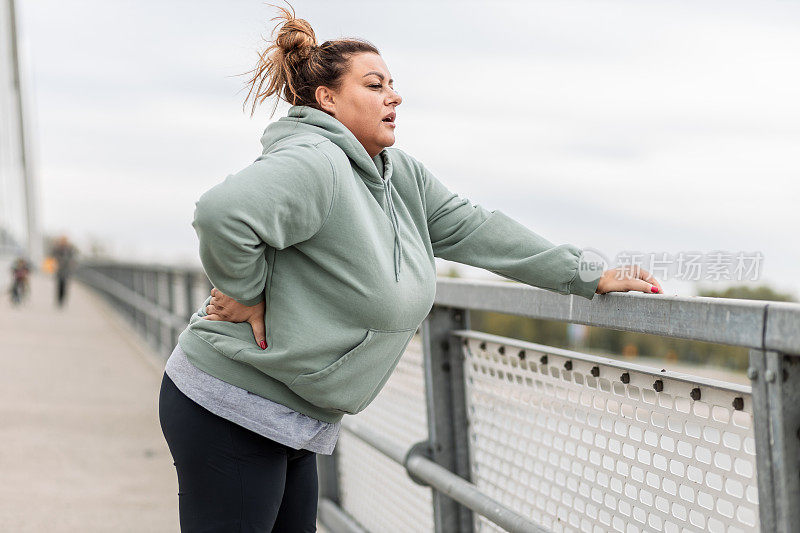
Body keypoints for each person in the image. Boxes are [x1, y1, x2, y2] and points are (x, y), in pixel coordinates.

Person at [158, 4, 663, 531]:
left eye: (392, 85)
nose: (393, 96)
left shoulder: (397, 175)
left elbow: (475, 228)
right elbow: (222, 214)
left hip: (291, 413)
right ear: (326, 99)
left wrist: (587, 274)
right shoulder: (316, 160)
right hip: (232, 406)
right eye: (374, 86)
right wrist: (246, 291)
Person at [50, 235, 77, 308]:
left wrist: (72, 264)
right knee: (59, 284)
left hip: (66, 269)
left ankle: (62, 300)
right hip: (59, 268)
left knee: (65, 285)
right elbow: (53, 255)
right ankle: (59, 299)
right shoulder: (57, 248)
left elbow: (72, 257)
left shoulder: (69, 248)